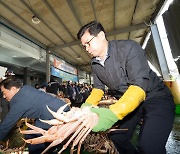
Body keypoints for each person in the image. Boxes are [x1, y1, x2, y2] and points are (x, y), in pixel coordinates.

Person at [77, 21, 175, 154]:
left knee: (149, 147)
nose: (87, 49)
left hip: (156, 98)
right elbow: (98, 89)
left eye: (88, 43)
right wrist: (85, 108)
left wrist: (112, 114)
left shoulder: (129, 48)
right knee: (118, 137)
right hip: (132, 104)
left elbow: (138, 86)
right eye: (84, 46)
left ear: (101, 35)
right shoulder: (94, 64)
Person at [0, 77, 69, 153]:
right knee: (44, 134)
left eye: (4, 92)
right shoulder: (26, 88)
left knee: (33, 135)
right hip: (61, 108)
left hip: (53, 113)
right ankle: (52, 150)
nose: (3, 96)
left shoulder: (19, 101)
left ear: (13, 89)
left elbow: (7, 124)